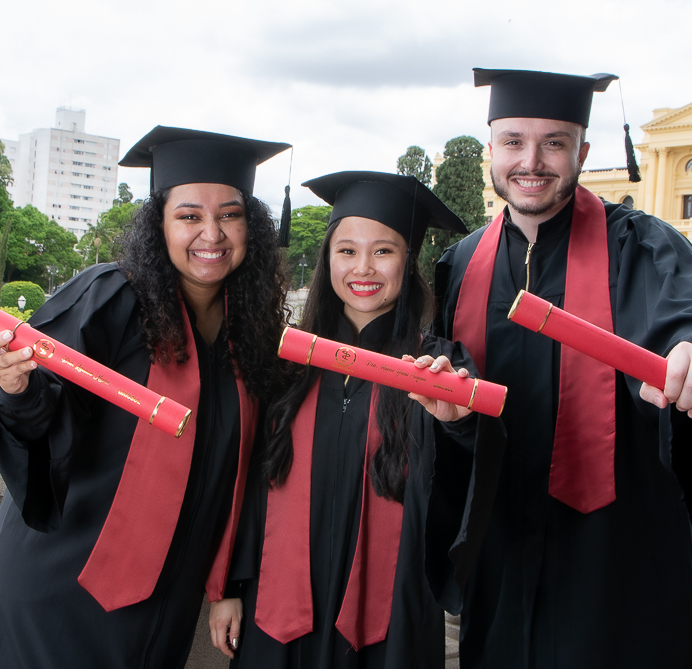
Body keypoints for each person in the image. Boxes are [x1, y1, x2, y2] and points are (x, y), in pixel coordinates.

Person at [432, 70, 692, 669]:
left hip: (616, 554)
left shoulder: (646, 247)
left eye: (554, 142)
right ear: (490, 152)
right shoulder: (459, 263)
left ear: (582, 152)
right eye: (513, 142)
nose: (532, 161)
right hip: (501, 550)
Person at [0, 126, 292, 668]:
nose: (211, 232)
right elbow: (42, 413)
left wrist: (227, 583)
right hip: (66, 582)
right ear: (158, 224)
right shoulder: (109, 299)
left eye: (229, 214)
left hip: (168, 592)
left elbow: (249, 469)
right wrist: (15, 385)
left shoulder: (249, 335)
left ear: (249, 225)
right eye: (189, 216)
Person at [210, 171, 505, 669]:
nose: (362, 267)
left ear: (408, 262)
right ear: (327, 260)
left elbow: (473, 479)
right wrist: (231, 586)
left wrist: (458, 423)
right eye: (346, 250)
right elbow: (251, 483)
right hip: (276, 609)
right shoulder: (290, 363)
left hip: (391, 612)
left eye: (383, 251)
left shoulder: (437, 368)